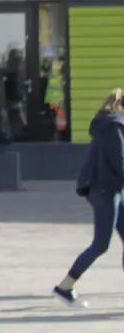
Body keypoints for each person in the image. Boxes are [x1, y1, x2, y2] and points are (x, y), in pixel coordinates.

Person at [56, 89, 124, 306]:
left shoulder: (109, 123)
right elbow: (119, 161)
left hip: (112, 189)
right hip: (106, 190)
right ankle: (65, 286)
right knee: (101, 244)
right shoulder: (115, 125)